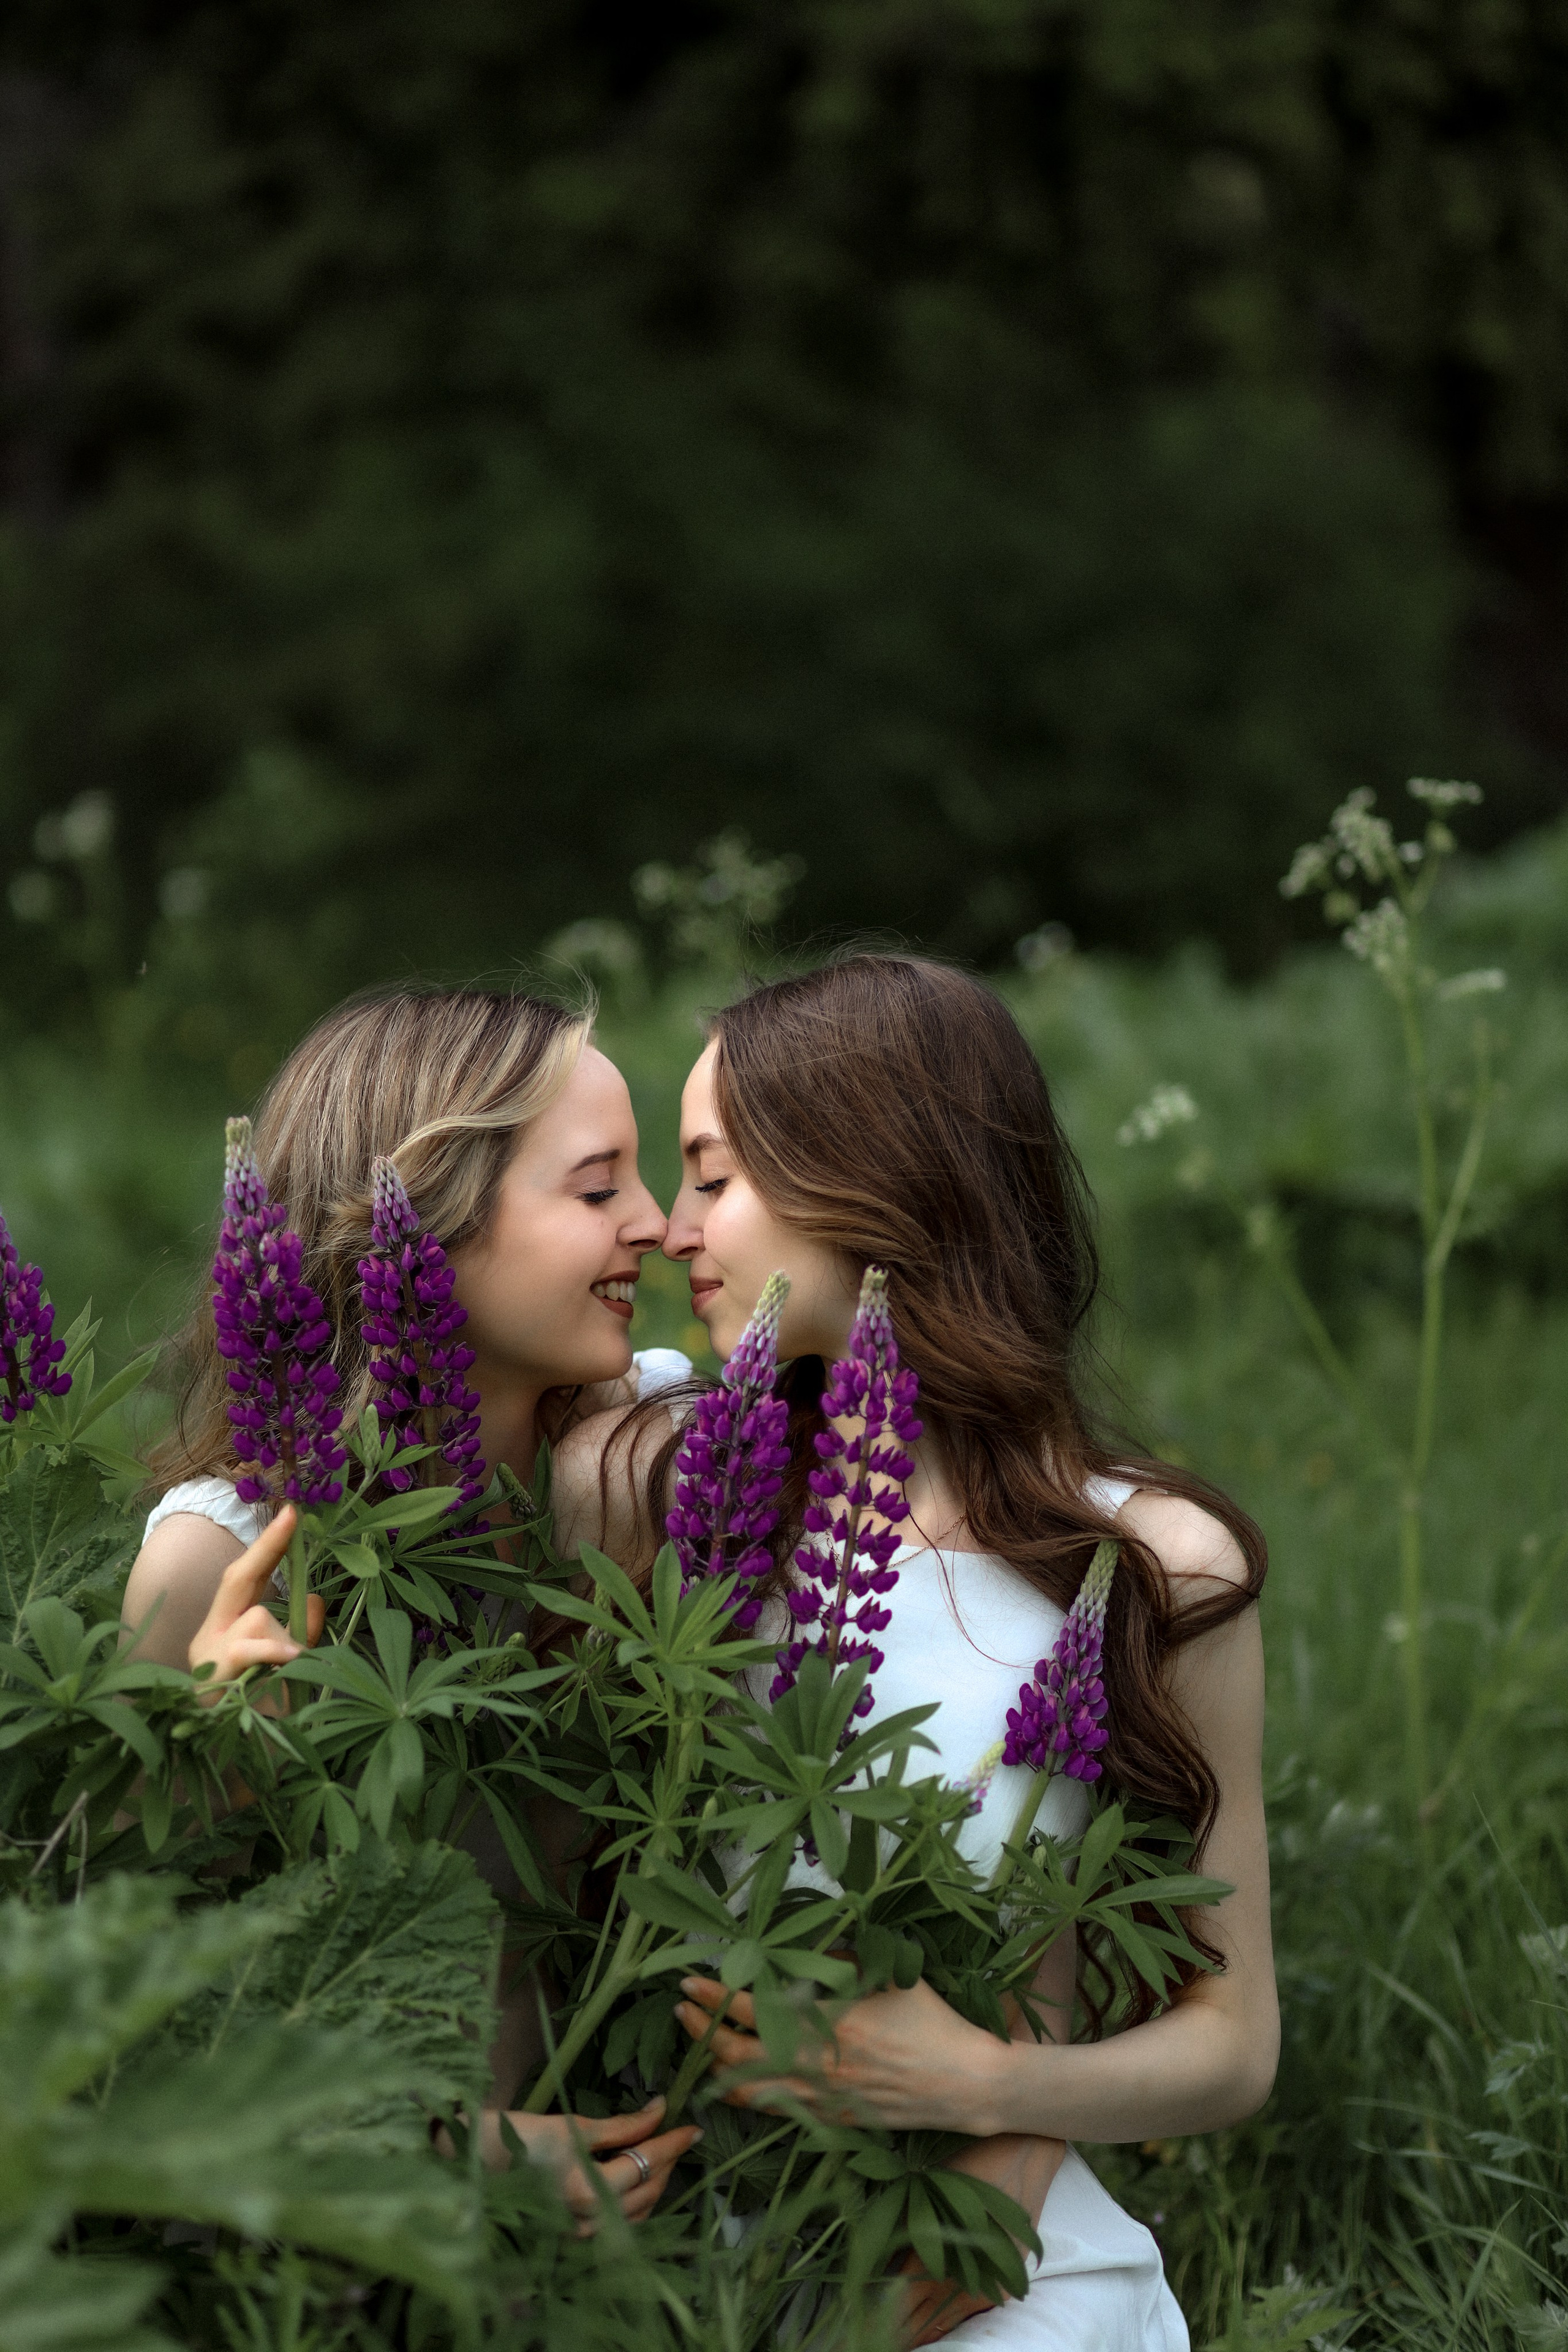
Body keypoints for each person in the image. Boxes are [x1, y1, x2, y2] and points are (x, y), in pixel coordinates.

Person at [660, 955, 1277, 2348]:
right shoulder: (680, 1494)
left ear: (859, 1175)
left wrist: (985, 2090)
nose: (668, 1225)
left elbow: (1231, 2044)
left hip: (1002, 2281)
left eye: (711, 1174)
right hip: (693, 2272)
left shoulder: (1155, 1561)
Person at [121, 985, 699, 2232]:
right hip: (335, 2240)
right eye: (598, 1190)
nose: (654, 1224)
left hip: (657, 2207)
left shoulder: (651, 1451)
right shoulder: (219, 1565)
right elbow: (146, 2026)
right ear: (422, 1232)